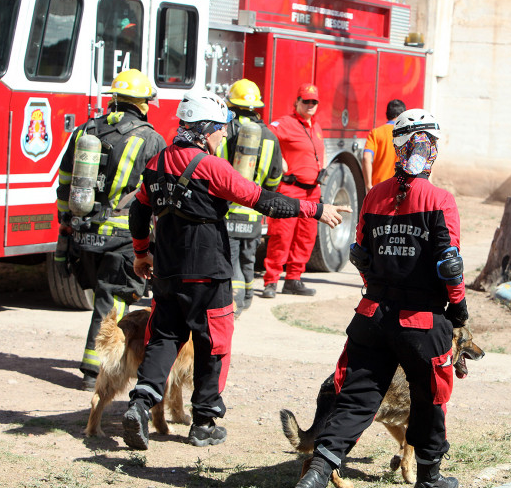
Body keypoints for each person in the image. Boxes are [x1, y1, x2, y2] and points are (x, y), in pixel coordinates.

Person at [123, 90, 349, 450]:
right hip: (207, 272)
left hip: (166, 270)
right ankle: (204, 423)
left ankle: (139, 404)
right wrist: (314, 209)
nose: (222, 136)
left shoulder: (158, 162)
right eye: (219, 130)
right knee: (215, 344)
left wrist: (140, 253)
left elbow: (138, 211)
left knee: (164, 338)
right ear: (204, 130)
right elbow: (265, 202)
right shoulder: (212, 167)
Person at [292, 109, 468, 488]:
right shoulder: (440, 199)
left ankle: (317, 474)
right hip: (421, 322)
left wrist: (379, 283)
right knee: (430, 399)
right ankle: (429, 478)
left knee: (356, 398)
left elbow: (361, 257)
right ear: (425, 146)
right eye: (433, 145)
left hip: (372, 315)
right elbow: (449, 265)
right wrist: (458, 309)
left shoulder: (373, 197)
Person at [55, 68, 166, 391]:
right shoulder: (150, 138)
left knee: (102, 298)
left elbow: (64, 182)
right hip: (122, 237)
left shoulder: (85, 131)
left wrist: (66, 222)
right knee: (115, 298)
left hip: (84, 230)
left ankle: (97, 363)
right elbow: (157, 193)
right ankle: (96, 368)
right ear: (143, 103)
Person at [215, 79, 283, 316]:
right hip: (254, 208)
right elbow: (275, 177)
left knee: (230, 259)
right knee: (248, 258)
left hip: (228, 209)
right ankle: (247, 297)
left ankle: (234, 304)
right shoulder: (269, 136)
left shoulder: (223, 130)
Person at [262, 83, 325, 298]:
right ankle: (271, 282)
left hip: (312, 192)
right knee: (281, 236)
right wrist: (279, 162)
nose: (310, 105)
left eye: (313, 101)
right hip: (290, 190)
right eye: (305, 101)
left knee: (306, 238)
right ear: (296, 102)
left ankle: (293, 280)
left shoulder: (315, 126)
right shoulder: (285, 124)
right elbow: (265, 137)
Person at [362, 99, 406, 191]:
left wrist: (368, 185)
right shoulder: (406, 135)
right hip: (400, 187)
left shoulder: (375, 133)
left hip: (379, 188)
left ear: (387, 114)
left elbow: (366, 157)